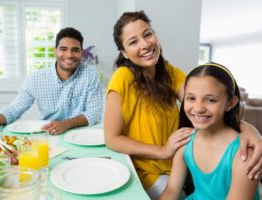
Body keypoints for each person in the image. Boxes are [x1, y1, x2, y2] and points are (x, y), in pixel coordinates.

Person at [104, 10, 262, 200]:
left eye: (148, 34)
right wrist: (163, 150)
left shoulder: (170, 73)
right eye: (133, 42)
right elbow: (112, 139)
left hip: (176, 164)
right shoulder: (123, 76)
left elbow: (201, 105)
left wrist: (249, 130)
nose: (145, 44)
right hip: (148, 169)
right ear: (124, 53)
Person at [0, 27, 103, 135]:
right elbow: (13, 110)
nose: (69, 55)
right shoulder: (36, 79)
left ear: (81, 53)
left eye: (75, 50)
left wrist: (66, 124)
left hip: (81, 135)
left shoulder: (90, 75)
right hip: (48, 136)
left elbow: (94, 113)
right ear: (54, 51)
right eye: (63, 49)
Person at [160, 63, 260, 200]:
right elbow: (171, 191)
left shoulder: (244, 155)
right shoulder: (185, 141)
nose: (198, 108)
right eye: (191, 98)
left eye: (210, 100)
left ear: (231, 103)